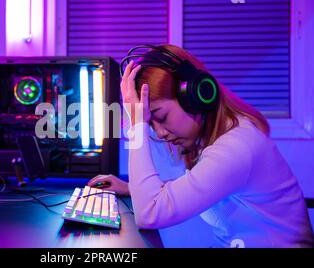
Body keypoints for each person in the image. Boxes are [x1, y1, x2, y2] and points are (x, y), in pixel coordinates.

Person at [88, 44, 314, 248]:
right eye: (150, 123)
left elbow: (150, 214)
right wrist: (131, 188)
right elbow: (198, 184)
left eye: (161, 116)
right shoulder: (223, 140)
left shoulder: (237, 148)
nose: (159, 132)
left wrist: (137, 124)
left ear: (196, 97)